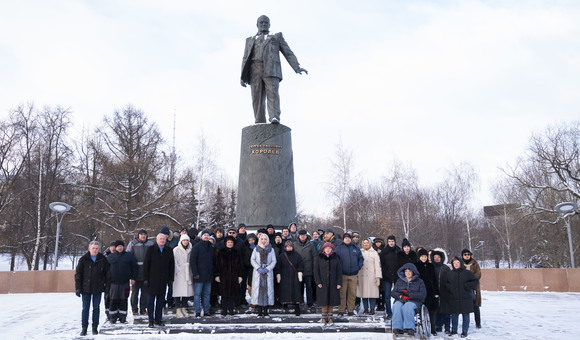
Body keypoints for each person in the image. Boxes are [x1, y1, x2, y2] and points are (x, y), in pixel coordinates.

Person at [240, 15, 308, 124]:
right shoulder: (250, 40)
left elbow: (288, 52)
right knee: (256, 97)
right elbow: (245, 58)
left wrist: (297, 67)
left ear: (269, 25)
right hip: (254, 69)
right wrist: (243, 77)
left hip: (271, 69)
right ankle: (259, 121)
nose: (263, 24)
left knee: (272, 93)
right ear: (257, 25)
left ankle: (274, 117)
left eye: (266, 23)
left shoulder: (276, 37)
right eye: (261, 22)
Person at [75, 241, 111, 336]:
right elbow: (78, 274)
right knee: (85, 309)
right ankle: (84, 328)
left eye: (96, 248)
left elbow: (107, 274)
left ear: (99, 249)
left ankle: (95, 328)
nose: (95, 250)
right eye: (93, 248)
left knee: (96, 308)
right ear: (89, 249)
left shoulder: (103, 259)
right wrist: (78, 288)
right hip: (85, 288)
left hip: (98, 288)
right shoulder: (83, 259)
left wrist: (107, 286)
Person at [143, 233, 175, 328]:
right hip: (152, 280)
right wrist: (145, 279)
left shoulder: (169, 250)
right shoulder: (151, 249)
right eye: (160, 239)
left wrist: (171, 279)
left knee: (160, 302)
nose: (162, 240)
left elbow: (172, 266)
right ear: (156, 240)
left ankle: (158, 319)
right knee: (150, 302)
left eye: (164, 239)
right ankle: (151, 320)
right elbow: (146, 265)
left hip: (163, 280)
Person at [444, 256, 479, 338]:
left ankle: (464, 331)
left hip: (465, 297)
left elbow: (475, 281)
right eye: (454, 263)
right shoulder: (450, 273)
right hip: (453, 297)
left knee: (465, 315)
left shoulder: (467, 273)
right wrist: (450, 287)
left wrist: (467, 286)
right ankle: (454, 330)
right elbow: (445, 283)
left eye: (457, 263)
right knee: (454, 315)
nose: (456, 264)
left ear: (460, 263)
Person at [391, 263, 427, 336]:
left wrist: (409, 295)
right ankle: (397, 327)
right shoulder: (399, 281)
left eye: (409, 271)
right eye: (406, 271)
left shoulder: (419, 282)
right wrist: (400, 296)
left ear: (413, 272)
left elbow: (423, 294)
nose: (408, 273)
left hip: (414, 301)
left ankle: (409, 327)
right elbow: (393, 292)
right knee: (397, 306)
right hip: (401, 300)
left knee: (407, 306)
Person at [107, 240, 137, 324]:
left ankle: (123, 318)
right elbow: (106, 270)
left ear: (123, 247)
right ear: (115, 248)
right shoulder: (110, 257)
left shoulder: (129, 256)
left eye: (121, 246)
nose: (119, 248)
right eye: (118, 246)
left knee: (123, 300)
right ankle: (113, 317)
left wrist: (133, 278)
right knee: (113, 300)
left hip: (125, 283)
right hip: (113, 283)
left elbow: (134, 268)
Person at [334, 232, 364, 316]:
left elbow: (361, 259)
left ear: (351, 239)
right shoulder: (339, 248)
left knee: (352, 294)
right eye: (346, 238)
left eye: (349, 238)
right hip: (342, 275)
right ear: (343, 239)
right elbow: (335, 259)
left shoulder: (356, 248)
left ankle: (350, 310)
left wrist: (358, 267)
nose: (347, 239)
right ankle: (341, 310)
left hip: (353, 275)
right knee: (342, 294)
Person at [313, 242, 342, 326]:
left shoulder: (335, 258)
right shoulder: (319, 258)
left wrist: (339, 282)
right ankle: (323, 317)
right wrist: (318, 282)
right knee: (324, 301)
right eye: (326, 248)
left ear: (332, 249)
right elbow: (316, 271)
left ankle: (330, 318)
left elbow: (339, 271)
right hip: (322, 283)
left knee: (331, 301)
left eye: (329, 248)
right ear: (323, 250)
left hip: (333, 283)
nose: (328, 249)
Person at [127, 229, 154, 316]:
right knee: (135, 293)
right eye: (141, 234)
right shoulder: (133, 244)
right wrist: (131, 274)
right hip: (136, 272)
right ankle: (134, 309)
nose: (143, 236)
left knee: (145, 292)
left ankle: (143, 308)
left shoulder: (150, 244)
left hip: (147, 272)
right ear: (138, 235)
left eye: (144, 234)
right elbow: (128, 257)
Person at [215, 235, 243, 316]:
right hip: (223, 277)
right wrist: (217, 275)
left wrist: (240, 276)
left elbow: (240, 265)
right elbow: (217, 265)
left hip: (234, 276)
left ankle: (231, 309)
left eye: (231, 242)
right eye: (228, 242)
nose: (230, 244)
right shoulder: (221, 252)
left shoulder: (236, 252)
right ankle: (224, 309)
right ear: (225, 243)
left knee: (232, 294)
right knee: (224, 295)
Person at [251, 233, 277, 317]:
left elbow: (274, 261)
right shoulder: (256, 249)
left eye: (265, 239)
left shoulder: (271, 249)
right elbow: (252, 259)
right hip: (258, 272)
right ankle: (259, 310)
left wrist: (268, 268)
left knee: (267, 290)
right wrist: (258, 268)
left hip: (268, 272)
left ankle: (266, 310)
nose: (263, 241)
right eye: (262, 239)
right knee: (258, 290)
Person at [190, 229, 215, 317]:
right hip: (199, 275)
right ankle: (197, 311)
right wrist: (195, 273)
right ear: (201, 236)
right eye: (204, 235)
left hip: (208, 275)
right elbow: (192, 261)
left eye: (207, 235)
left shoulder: (211, 247)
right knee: (197, 294)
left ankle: (206, 310)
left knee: (206, 294)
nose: (206, 236)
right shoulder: (197, 247)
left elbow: (213, 261)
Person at [276, 240, 305, 316]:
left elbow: (300, 264)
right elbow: (278, 265)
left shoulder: (297, 255)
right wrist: (278, 274)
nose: (289, 248)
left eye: (290, 246)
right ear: (285, 247)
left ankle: (297, 306)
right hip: (284, 274)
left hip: (294, 274)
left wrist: (300, 272)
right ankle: (285, 303)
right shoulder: (282, 256)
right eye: (287, 247)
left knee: (295, 290)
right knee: (285, 290)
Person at [415, 248, 438, 335]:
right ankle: (422, 328)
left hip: (430, 291)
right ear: (419, 257)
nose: (424, 258)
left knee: (432, 310)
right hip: (420, 291)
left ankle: (432, 328)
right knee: (421, 311)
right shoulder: (416, 265)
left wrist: (436, 292)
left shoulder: (430, 266)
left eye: (425, 256)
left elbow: (434, 279)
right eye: (422, 256)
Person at [357, 238, 382, 315]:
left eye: (367, 243)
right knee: (364, 293)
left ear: (370, 244)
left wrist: (377, 277)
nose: (366, 244)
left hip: (372, 276)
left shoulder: (374, 253)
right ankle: (365, 308)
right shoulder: (360, 252)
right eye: (364, 243)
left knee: (372, 293)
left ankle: (372, 308)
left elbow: (377, 265)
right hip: (362, 275)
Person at [379, 235, 400, 319]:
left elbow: (400, 263)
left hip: (397, 276)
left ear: (395, 242)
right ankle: (389, 312)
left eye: (392, 241)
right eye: (390, 241)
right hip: (387, 276)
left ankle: (397, 311)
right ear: (387, 242)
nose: (391, 243)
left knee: (398, 295)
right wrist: (384, 273)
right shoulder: (384, 251)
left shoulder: (398, 250)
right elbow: (381, 264)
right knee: (387, 295)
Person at [294, 229, 316, 307]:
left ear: (306, 236)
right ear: (299, 236)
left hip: (308, 269)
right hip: (298, 270)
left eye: (304, 235)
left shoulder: (310, 244)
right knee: (299, 286)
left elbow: (314, 257)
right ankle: (300, 300)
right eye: (301, 235)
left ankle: (310, 301)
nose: (303, 236)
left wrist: (314, 268)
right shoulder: (295, 244)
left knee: (309, 286)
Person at [173, 234, 193, 318]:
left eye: (187, 240)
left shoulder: (191, 249)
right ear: (181, 241)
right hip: (179, 272)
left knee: (186, 291)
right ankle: (178, 309)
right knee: (178, 291)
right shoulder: (176, 250)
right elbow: (174, 261)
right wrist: (178, 270)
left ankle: (184, 307)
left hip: (188, 271)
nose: (185, 242)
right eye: (184, 240)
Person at [431, 248, 451, 334]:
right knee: (437, 310)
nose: (436, 258)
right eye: (435, 257)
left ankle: (447, 327)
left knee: (446, 310)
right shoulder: (431, 267)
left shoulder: (445, 268)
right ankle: (438, 325)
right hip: (434, 292)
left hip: (445, 292)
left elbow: (450, 280)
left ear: (441, 258)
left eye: (438, 257)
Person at [462, 249, 482, 329]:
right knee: (465, 307)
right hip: (464, 286)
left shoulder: (475, 263)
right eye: (465, 254)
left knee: (475, 306)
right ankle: (466, 323)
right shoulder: (460, 263)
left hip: (474, 286)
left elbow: (478, 273)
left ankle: (478, 323)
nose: (467, 256)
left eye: (468, 254)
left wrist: (470, 279)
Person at [242, 233, 258, 303]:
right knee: (250, 286)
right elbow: (245, 260)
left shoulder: (258, 248)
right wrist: (252, 264)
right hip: (250, 269)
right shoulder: (246, 249)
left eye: (253, 240)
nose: (251, 242)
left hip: (258, 269)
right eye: (250, 240)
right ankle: (252, 299)